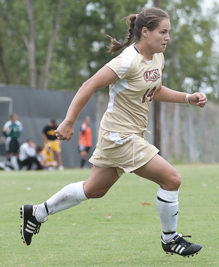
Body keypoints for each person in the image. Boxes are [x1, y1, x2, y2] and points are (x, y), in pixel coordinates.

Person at [20, 7, 207, 257]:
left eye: (168, 32)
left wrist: (187, 98)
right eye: (163, 32)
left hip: (126, 135)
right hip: (120, 137)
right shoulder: (127, 60)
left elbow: (154, 89)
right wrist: (68, 121)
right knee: (172, 179)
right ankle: (170, 239)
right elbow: (89, 85)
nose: (167, 37)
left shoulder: (157, 57)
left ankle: (37, 212)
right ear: (145, 31)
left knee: (94, 189)